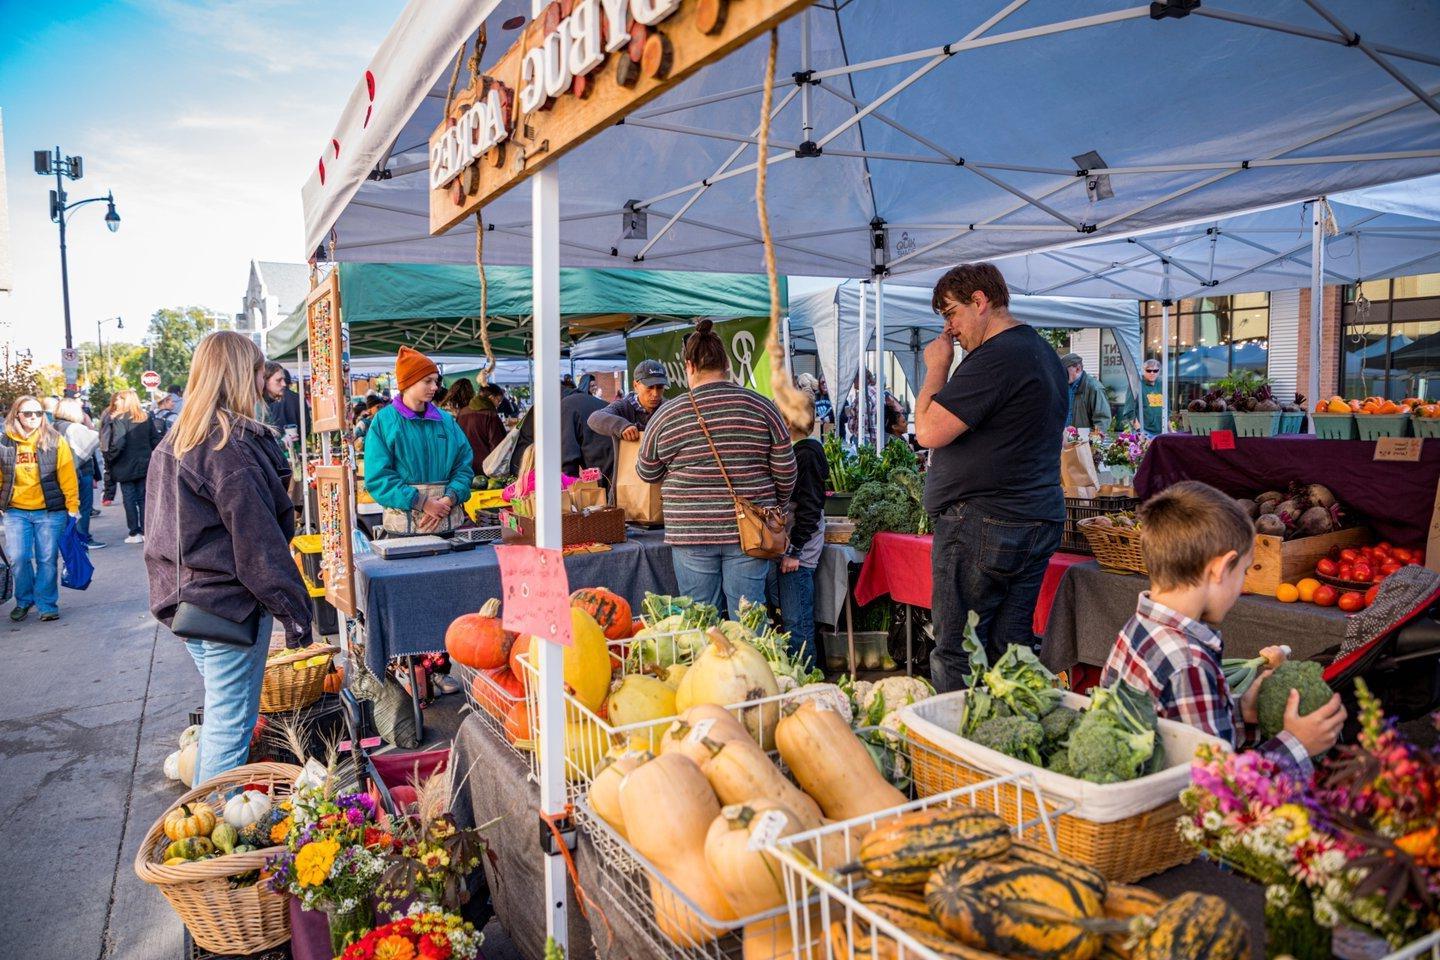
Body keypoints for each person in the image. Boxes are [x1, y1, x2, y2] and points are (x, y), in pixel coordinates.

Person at [144, 331, 313, 785]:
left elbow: (159, 534)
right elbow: (259, 545)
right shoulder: (226, 446)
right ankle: (207, 826)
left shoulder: (178, 440)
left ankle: (203, 816)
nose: (264, 382)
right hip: (227, 604)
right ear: (243, 374)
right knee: (228, 728)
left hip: (191, 602)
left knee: (224, 718)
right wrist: (297, 617)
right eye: (260, 371)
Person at [1100, 481, 1345, 775]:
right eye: (1243, 572)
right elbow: (1217, 788)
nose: (1241, 587)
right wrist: (1297, 745)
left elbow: (1183, 733)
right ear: (1220, 569)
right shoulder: (1188, 662)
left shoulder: (1139, 628)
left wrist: (1242, 712)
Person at [914, 263, 1068, 691]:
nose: (950, 329)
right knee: (1009, 649)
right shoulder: (1041, 352)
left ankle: (961, 753)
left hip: (986, 522)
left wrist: (936, 368)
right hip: (1035, 516)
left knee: (958, 650)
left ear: (980, 301)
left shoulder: (995, 357)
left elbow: (927, 431)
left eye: (951, 314)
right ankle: (1001, 745)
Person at [638, 319, 796, 617]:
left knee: (702, 621)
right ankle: (753, 665)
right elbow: (786, 471)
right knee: (749, 619)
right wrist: (779, 508)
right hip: (751, 530)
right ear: (726, 363)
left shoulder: (667, 414)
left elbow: (646, 472)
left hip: (690, 531)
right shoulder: (762, 407)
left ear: (690, 366)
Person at [363, 346, 475, 534]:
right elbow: (378, 478)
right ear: (408, 383)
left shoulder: (446, 421)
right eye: (427, 381)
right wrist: (422, 502)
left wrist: (449, 498)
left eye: (436, 381)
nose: (435, 387)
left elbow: (464, 467)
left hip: (448, 527)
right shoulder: (384, 422)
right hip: (402, 531)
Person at [1, 396, 81, 622]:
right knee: (18, 558)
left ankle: (46, 604)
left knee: (47, 559)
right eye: (28, 413)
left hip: (50, 511)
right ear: (17, 414)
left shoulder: (54, 440)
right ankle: (24, 600)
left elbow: (67, 475)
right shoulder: (5, 442)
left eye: (38, 412)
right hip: (16, 511)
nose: (34, 417)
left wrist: (72, 505)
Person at [770, 395, 824, 668]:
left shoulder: (807, 454)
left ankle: (807, 676)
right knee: (792, 616)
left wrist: (794, 551)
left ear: (789, 420)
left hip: (799, 555)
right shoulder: (798, 451)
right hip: (792, 550)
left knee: (797, 620)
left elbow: (811, 508)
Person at [105, 389, 163, 544]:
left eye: (119, 399)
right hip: (144, 463)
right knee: (143, 498)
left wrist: (110, 458)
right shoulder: (145, 417)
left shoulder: (120, 419)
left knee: (129, 499)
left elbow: (119, 443)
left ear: (126, 400)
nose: (116, 402)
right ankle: (146, 530)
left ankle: (134, 532)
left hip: (125, 465)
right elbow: (155, 439)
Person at [53, 398, 105, 549]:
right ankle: (83, 538)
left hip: (60, 472)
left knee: (65, 507)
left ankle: (70, 537)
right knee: (83, 507)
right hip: (81, 471)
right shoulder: (76, 428)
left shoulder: (53, 426)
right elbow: (94, 439)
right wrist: (88, 422)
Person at [588, 359, 668, 443]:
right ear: (635, 385)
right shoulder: (623, 407)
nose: (655, 393)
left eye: (660, 387)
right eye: (650, 387)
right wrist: (622, 426)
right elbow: (594, 418)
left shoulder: (669, 408)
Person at [561, 374, 610, 482]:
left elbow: (568, 459)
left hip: (601, 471)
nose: (594, 388)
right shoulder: (593, 403)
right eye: (591, 385)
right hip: (614, 466)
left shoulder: (567, 406)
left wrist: (568, 485)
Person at [1061, 353, 1113, 435]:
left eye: (1064, 371)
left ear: (1077, 369)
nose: (1062, 374)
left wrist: (1093, 441)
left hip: (1083, 442)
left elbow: (1102, 420)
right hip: (1064, 441)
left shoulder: (1095, 388)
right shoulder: (1063, 386)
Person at [1139, 359, 1165, 436]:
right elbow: (1130, 412)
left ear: (1159, 371)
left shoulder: (1162, 386)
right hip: (1145, 432)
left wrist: (1171, 430)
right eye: (1149, 370)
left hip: (1162, 431)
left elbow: (1166, 410)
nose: (1152, 373)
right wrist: (1139, 432)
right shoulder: (1138, 386)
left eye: (1155, 371)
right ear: (1144, 371)